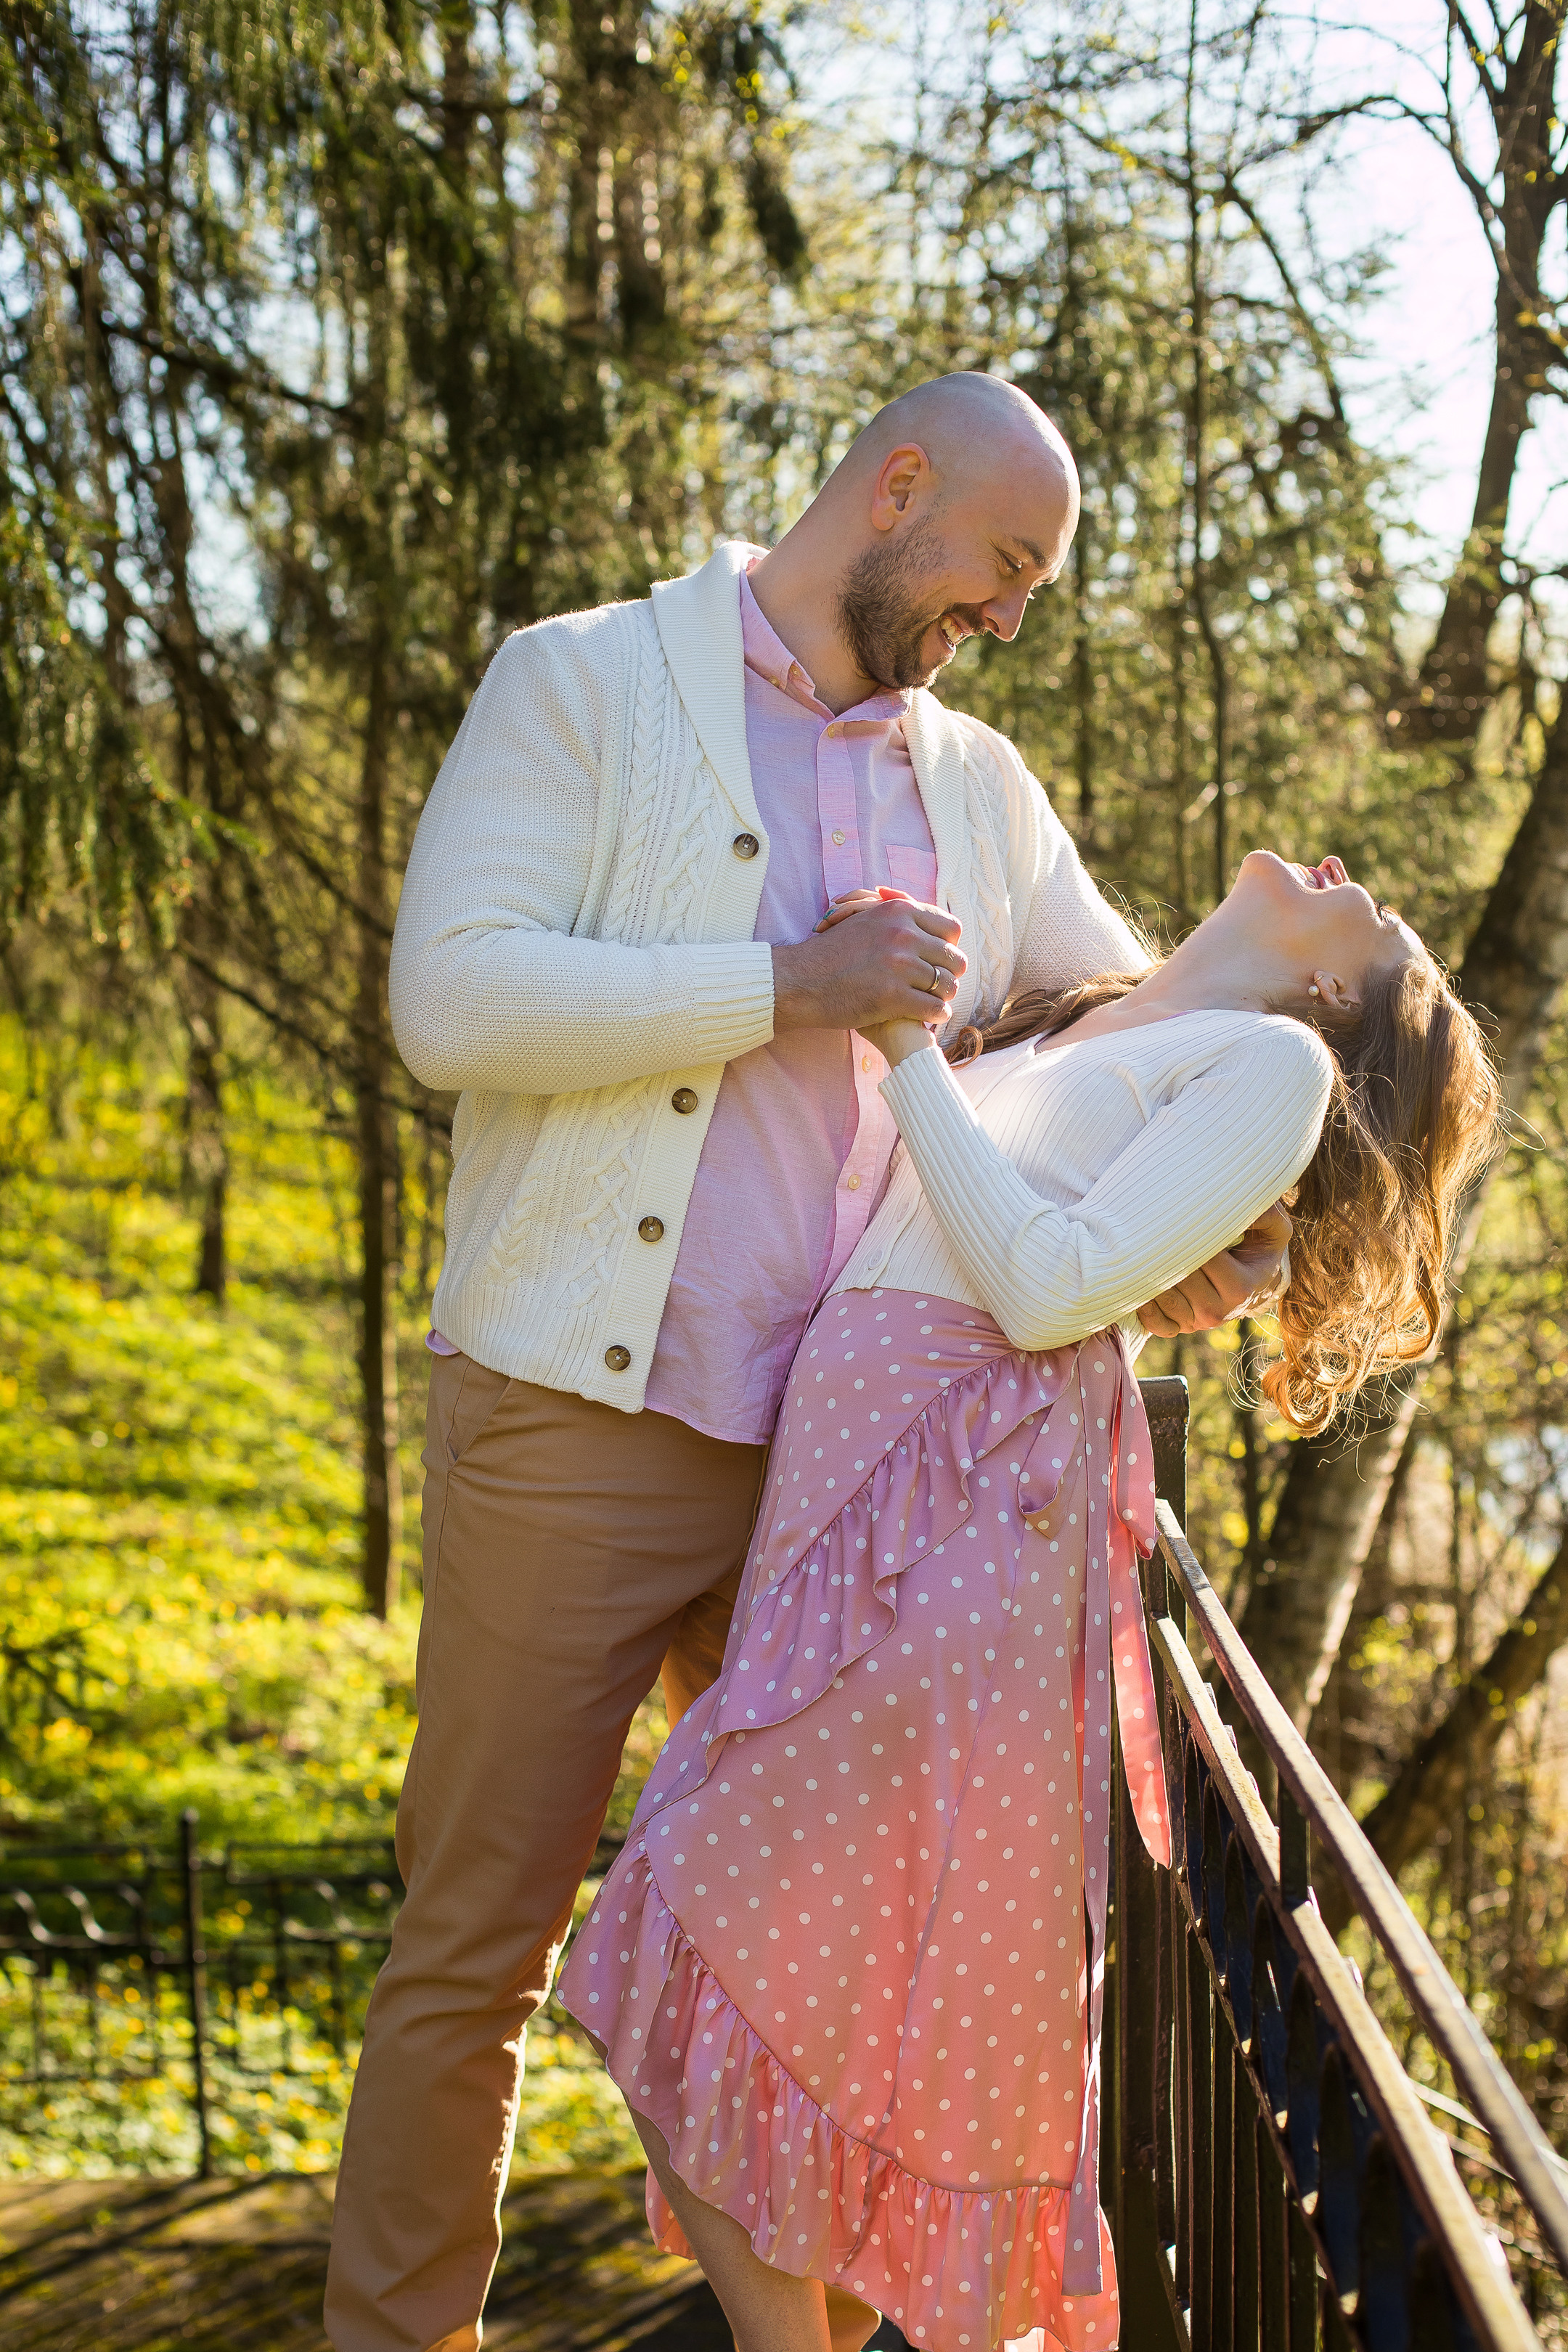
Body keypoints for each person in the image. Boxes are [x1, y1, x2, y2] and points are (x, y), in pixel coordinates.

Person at [325, 372, 1290, 2352]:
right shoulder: (584, 683)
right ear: (898, 486)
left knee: (820, 1970)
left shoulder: (988, 792)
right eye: (1003, 566)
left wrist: (1223, 1225)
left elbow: (1116, 1049)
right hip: (576, 1423)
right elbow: (453, 996)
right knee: (478, 1946)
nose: (1011, 614)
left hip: (853, 1477)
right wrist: (793, 986)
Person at [560, 849, 1503, 2352]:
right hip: (863, 1498)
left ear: (1334, 991)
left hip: (966, 1515)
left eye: (1374, 917)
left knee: (683, 1910)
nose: (1347, 877)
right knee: (778, 1973)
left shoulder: (1271, 1066)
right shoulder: (1087, 1020)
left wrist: (906, 1050)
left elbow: (1045, 1287)